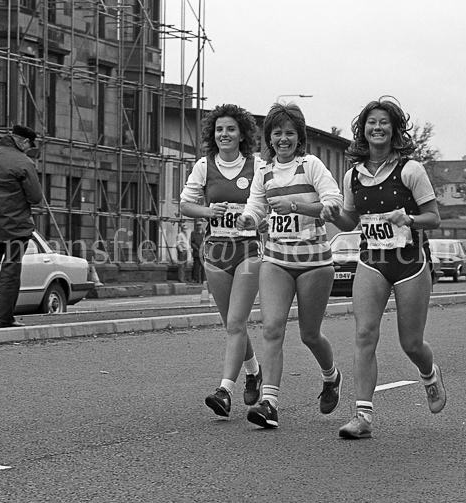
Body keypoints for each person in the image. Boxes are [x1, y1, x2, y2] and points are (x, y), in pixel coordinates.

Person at [322, 96, 446, 439]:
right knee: (365, 334)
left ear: (394, 130)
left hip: (409, 263)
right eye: (371, 123)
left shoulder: (411, 170)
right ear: (362, 130)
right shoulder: (352, 175)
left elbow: (434, 218)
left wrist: (409, 219)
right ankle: (362, 416)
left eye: (384, 123)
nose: (377, 128)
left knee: (411, 343)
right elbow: (350, 221)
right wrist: (334, 215)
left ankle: (429, 374)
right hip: (372, 261)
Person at [235, 102, 343, 428]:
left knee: (309, 334)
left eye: (290, 133)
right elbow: (256, 205)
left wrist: (295, 204)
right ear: (269, 137)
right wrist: (248, 218)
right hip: (276, 260)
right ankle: (269, 403)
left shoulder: (311, 165)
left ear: (299, 137)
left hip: (314, 262)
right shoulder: (264, 171)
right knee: (272, 328)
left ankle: (331, 376)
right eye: (277, 133)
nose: (283, 139)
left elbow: (333, 203)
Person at [179, 103, 264, 418]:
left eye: (230, 129)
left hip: (248, 249)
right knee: (232, 322)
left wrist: (253, 217)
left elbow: (267, 204)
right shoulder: (204, 166)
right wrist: (208, 211)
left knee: (236, 322)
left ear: (242, 134)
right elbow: (185, 205)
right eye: (219, 129)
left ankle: (224, 390)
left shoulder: (257, 166)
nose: (224, 134)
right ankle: (254, 371)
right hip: (216, 250)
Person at [0, 125, 43, 329]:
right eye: (29, 145)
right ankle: (5, 318)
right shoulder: (23, 162)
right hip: (16, 227)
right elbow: (35, 197)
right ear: (24, 142)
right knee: (10, 273)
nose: (29, 149)